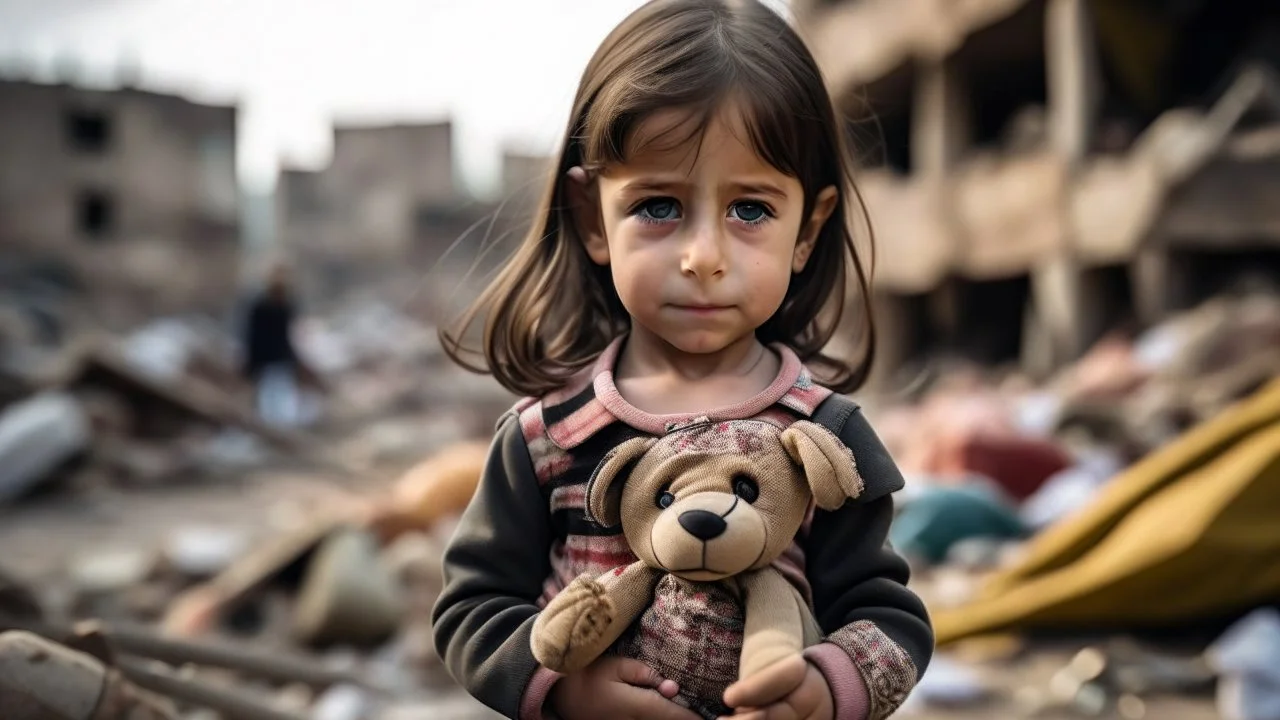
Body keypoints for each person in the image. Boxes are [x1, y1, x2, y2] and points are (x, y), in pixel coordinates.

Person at [431, 2, 934, 719]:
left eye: (751, 210)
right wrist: (568, 691)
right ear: (591, 218)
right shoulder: (546, 438)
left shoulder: (827, 439)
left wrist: (823, 689)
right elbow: (471, 609)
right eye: (659, 206)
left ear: (807, 229)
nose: (704, 257)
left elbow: (890, 619)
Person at [239, 263, 316, 426]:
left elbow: (292, 335)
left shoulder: (286, 307)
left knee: (279, 400)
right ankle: (275, 432)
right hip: (270, 359)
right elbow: (254, 336)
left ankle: (279, 432)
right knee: (272, 400)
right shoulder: (261, 307)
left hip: (279, 359)